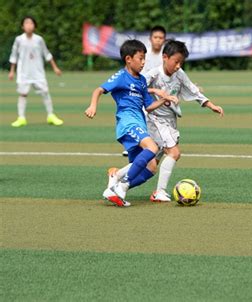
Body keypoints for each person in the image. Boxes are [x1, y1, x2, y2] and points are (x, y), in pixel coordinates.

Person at [84, 39, 177, 207]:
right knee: (152, 148)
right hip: (127, 122)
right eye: (140, 58)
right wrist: (93, 105)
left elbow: (148, 106)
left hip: (139, 123)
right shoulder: (121, 77)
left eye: (144, 58)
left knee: (151, 167)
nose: (143, 62)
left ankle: (116, 183)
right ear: (128, 59)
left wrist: (164, 100)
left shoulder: (141, 80)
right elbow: (99, 90)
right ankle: (123, 186)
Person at [145, 40, 224, 202]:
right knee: (174, 153)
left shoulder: (179, 74)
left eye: (182, 62)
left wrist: (211, 105)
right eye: (176, 61)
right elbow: (136, 88)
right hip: (155, 120)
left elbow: (193, 91)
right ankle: (159, 192)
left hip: (170, 121)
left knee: (150, 165)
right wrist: (155, 90)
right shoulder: (154, 74)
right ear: (165, 57)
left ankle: (118, 177)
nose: (179, 66)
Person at [8, 16, 64, 127]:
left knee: (45, 93)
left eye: (31, 23)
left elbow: (47, 54)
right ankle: (21, 118)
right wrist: (11, 71)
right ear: (22, 26)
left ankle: (51, 116)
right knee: (23, 94)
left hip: (38, 73)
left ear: (34, 26)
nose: (29, 26)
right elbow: (14, 55)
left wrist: (55, 67)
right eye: (26, 23)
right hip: (23, 73)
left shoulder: (39, 39)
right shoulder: (19, 40)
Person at [122, 25, 167, 157]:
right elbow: (138, 81)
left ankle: (158, 144)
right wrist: (153, 90)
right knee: (141, 116)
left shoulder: (165, 56)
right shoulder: (142, 55)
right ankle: (135, 145)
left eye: (161, 38)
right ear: (150, 38)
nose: (158, 40)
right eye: (155, 37)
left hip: (160, 94)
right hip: (143, 92)